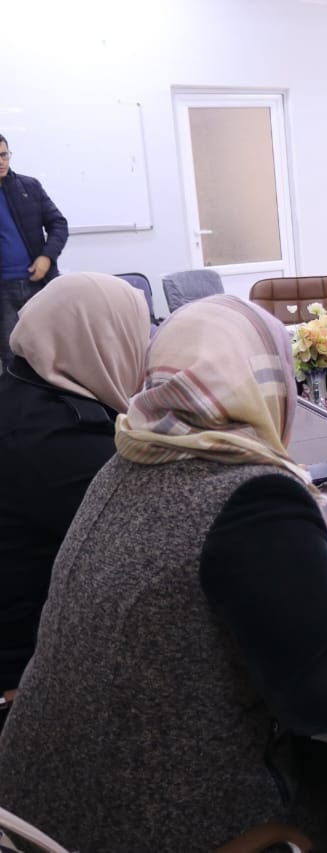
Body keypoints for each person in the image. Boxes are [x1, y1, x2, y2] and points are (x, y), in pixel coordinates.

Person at [0, 295, 327, 851]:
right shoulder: (256, 493)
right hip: (154, 826)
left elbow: (190, 556)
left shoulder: (132, 454)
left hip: (41, 807)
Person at [0, 272, 151, 698]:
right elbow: (156, 539)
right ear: (101, 340)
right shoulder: (62, 440)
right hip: (33, 677)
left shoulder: (24, 389)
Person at [0, 133, 69, 370]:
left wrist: (47, 257)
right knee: (11, 360)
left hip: (38, 284)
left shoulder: (29, 187)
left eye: (4, 155)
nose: (1, 162)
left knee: (51, 353)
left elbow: (58, 224)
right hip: (3, 292)